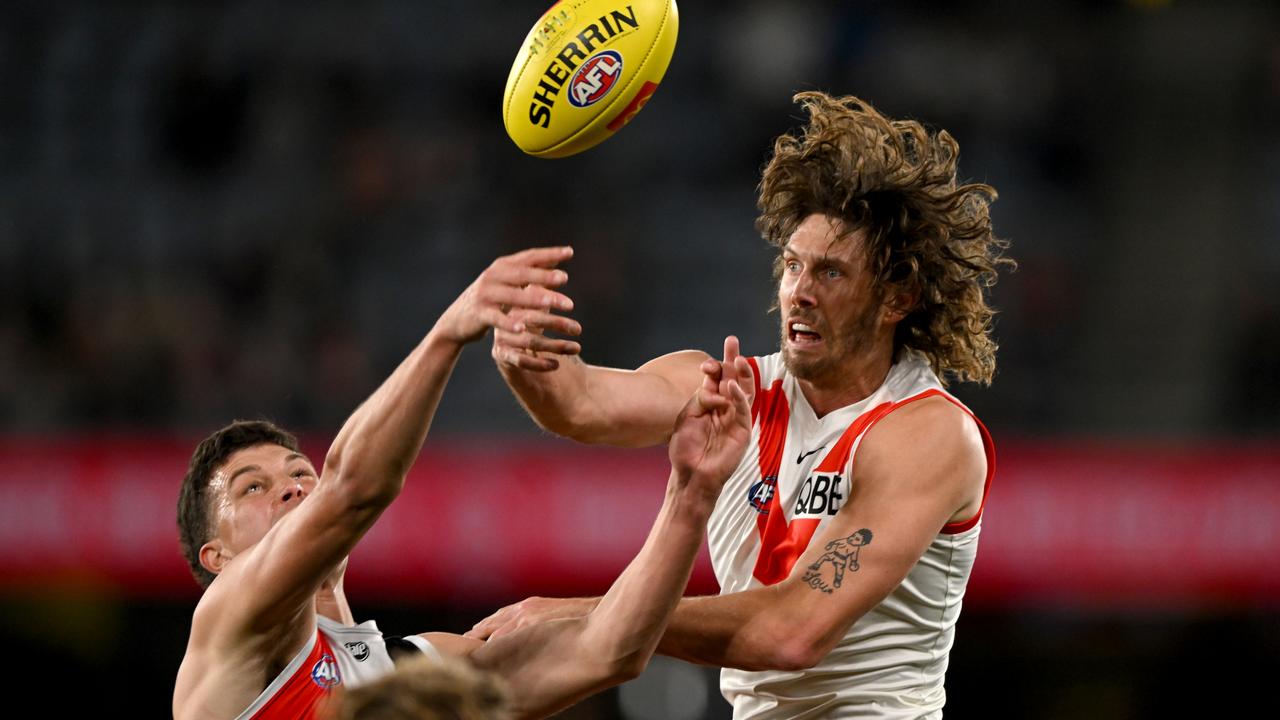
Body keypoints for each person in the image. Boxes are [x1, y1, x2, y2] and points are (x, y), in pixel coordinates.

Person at [471, 92, 1014, 718]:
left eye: (831, 274)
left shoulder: (927, 432)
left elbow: (791, 632)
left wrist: (583, 614)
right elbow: (581, 405)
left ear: (898, 298)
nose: (800, 293)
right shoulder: (732, 390)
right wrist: (527, 355)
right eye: (791, 266)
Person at [172, 245, 755, 720]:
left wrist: (690, 494)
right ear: (216, 557)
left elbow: (606, 651)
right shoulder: (228, 633)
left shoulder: (415, 681)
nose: (293, 488)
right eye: (252, 487)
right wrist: (449, 334)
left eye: (299, 473)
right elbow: (351, 490)